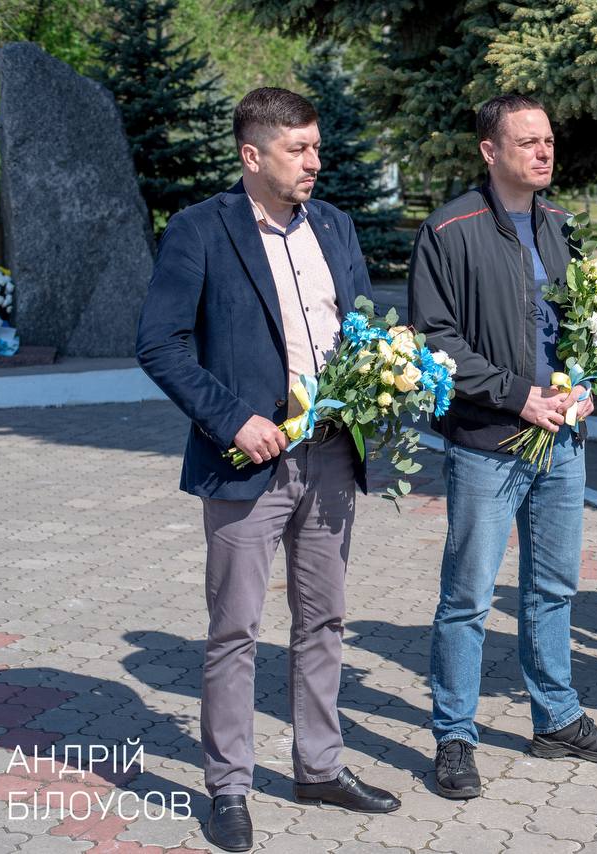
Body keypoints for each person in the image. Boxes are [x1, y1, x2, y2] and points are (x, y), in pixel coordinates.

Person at [136, 87, 399, 853]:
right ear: (252, 155)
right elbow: (159, 344)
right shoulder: (200, 229)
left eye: (316, 147)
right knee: (235, 629)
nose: (314, 162)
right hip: (247, 461)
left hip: (332, 455)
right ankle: (229, 786)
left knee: (324, 618)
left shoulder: (335, 224)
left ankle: (320, 767)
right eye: (298, 149)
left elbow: (362, 327)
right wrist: (232, 419)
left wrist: (387, 373)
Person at [408, 93, 597, 800]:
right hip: (489, 440)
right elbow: (434, 339)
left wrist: (587, 383)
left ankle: (556, 719)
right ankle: (454, 735)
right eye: (528, 141)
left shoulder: (562, 225)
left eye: (549, 141)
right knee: (469, 597)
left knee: (553, 588)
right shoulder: (449, 229)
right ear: (490, 150)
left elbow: (585, 322)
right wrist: (517, 396)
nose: (544, 152)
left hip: (562, 440)